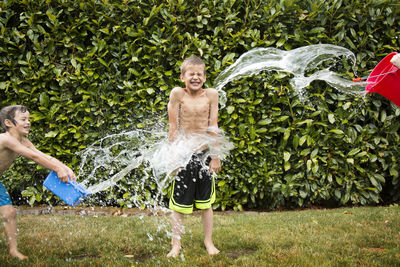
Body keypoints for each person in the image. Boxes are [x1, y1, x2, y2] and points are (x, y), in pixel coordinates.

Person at [0, 105, 76, 260]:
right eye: (23, 119)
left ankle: (13, 250)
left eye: (29, 119)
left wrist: (64, 167)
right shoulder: (6, 139)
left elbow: (41, 155)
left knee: (9, 213)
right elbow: (33, 157)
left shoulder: (24, 141)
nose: (28, 122)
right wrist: (57, 169)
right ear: (8, 122)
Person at [167, 55, 221, 257]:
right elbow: (173, 127)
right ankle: (176, 244)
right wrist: (173, 155)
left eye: (200, 74)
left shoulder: (212, 95)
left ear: (205, 77)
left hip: (204, 154)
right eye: (191, 74)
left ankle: (208, 241)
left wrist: (215, 156)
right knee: (179, 205)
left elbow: (213, 126)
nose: (196, 77)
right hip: (184, 154)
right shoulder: (177, 94)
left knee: (206, 205)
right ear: (182, 77)